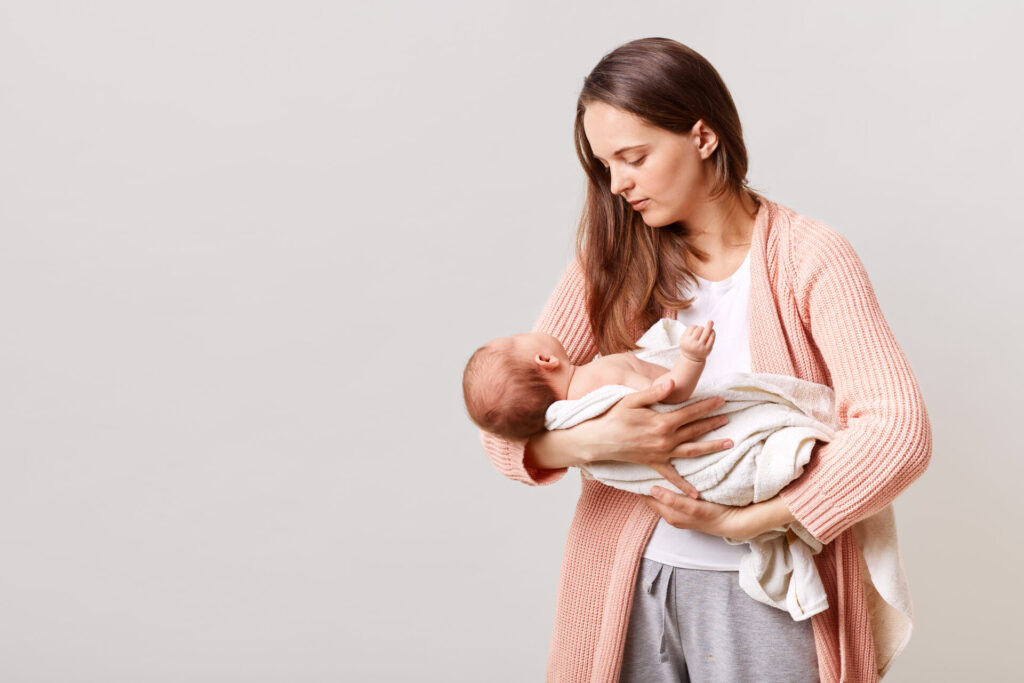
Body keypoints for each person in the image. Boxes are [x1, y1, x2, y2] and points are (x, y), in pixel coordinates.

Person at [476, 37, 931, 683]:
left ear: (703, 136)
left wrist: (751, 520)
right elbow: (503, 426)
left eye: (633, 157)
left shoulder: (810, 258)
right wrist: (595, 438)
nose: (618, 183)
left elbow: (898, 431)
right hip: (625, 585)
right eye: (605, 165)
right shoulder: (609, 263)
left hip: (767, 589)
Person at [462, 320, 716, 440]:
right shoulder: (601, 376)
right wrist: (692, 358)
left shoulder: (571, 421)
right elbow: (668, 397)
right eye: (516, 337)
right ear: (545, 359)